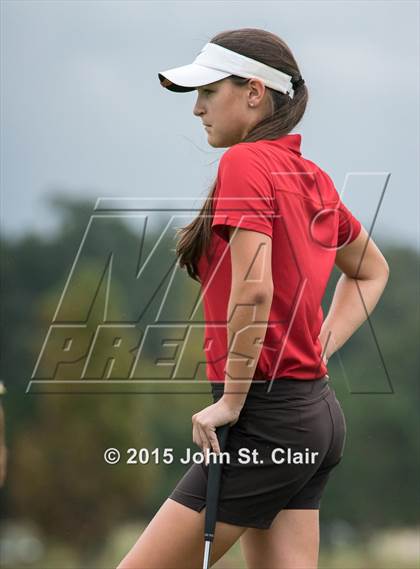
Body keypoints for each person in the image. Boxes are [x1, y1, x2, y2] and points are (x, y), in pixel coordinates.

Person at [117, 28, 389, 569]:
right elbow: (371, 272)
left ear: (254, 91)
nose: (196, 110)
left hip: (263, 419)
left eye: (207, 93)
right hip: (314, 413)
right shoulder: (312, 176)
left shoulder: (245, 164)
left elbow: (254, 288)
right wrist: (318, 346)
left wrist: (233, 401)